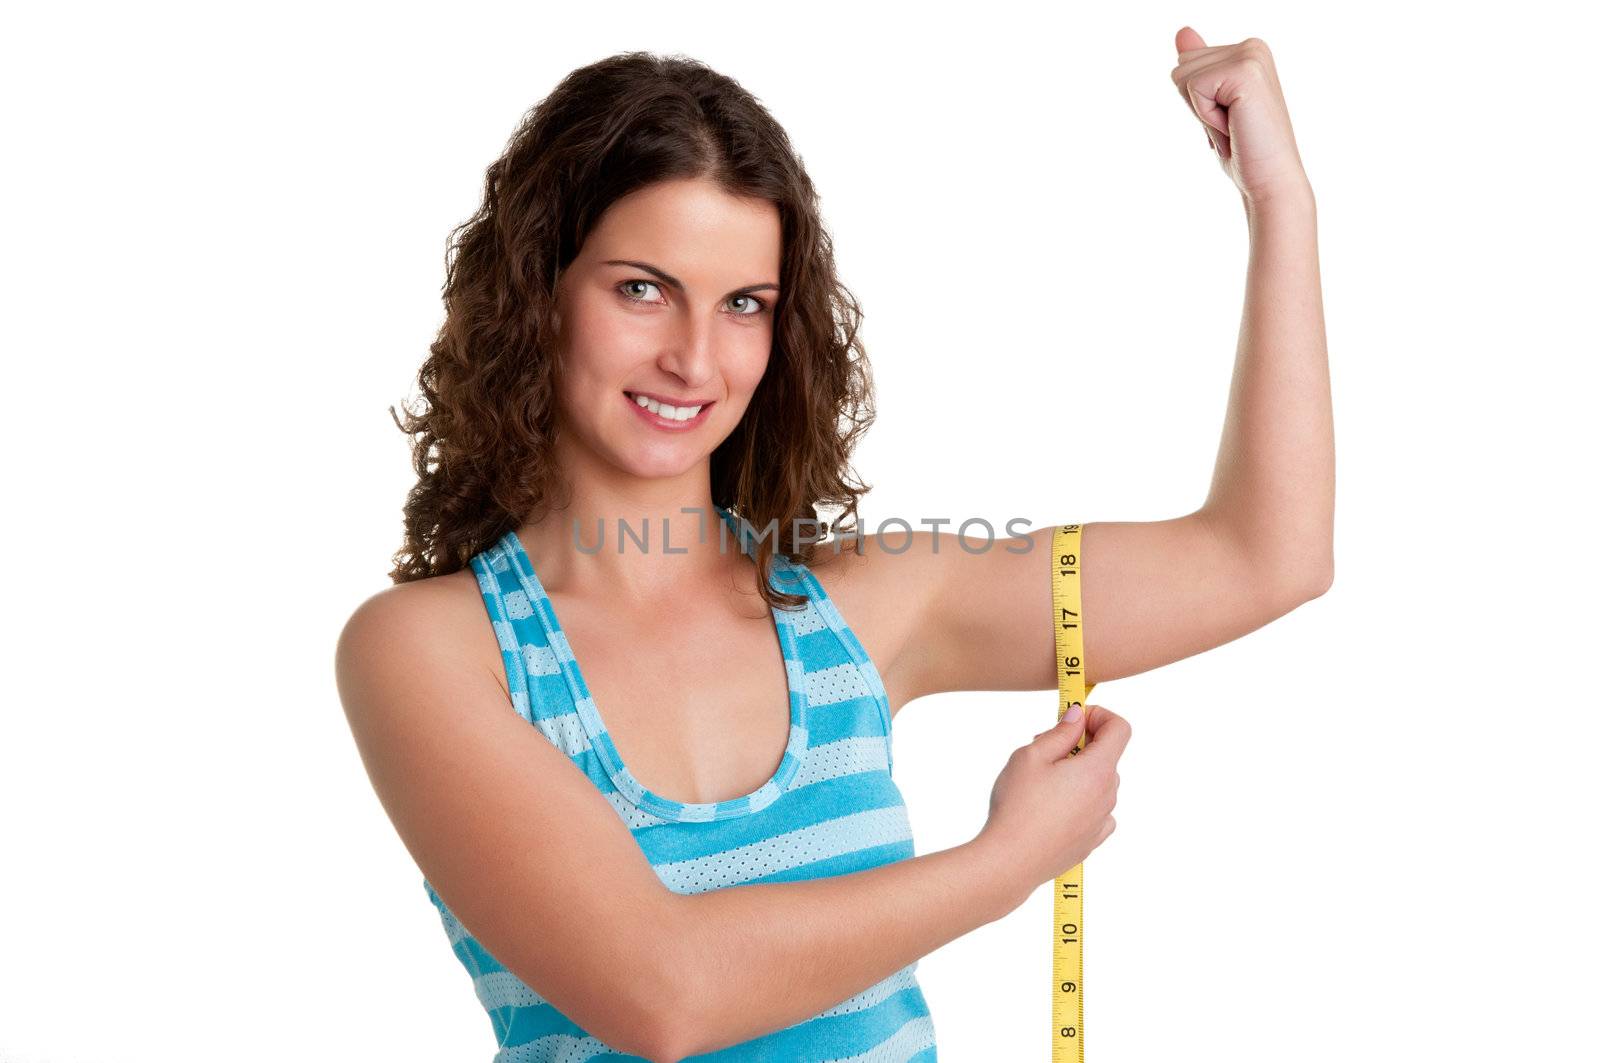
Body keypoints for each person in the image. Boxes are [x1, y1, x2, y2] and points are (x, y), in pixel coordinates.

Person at [336, 29, 1331, 1063]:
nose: (691, 357)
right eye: (641, 288)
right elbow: (662, 993)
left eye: (743, 305)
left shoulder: (859, 607)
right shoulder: (430, 652)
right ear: (536, 291)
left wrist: (1280, 205)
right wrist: (1008, 862)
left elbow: (1268, 556)